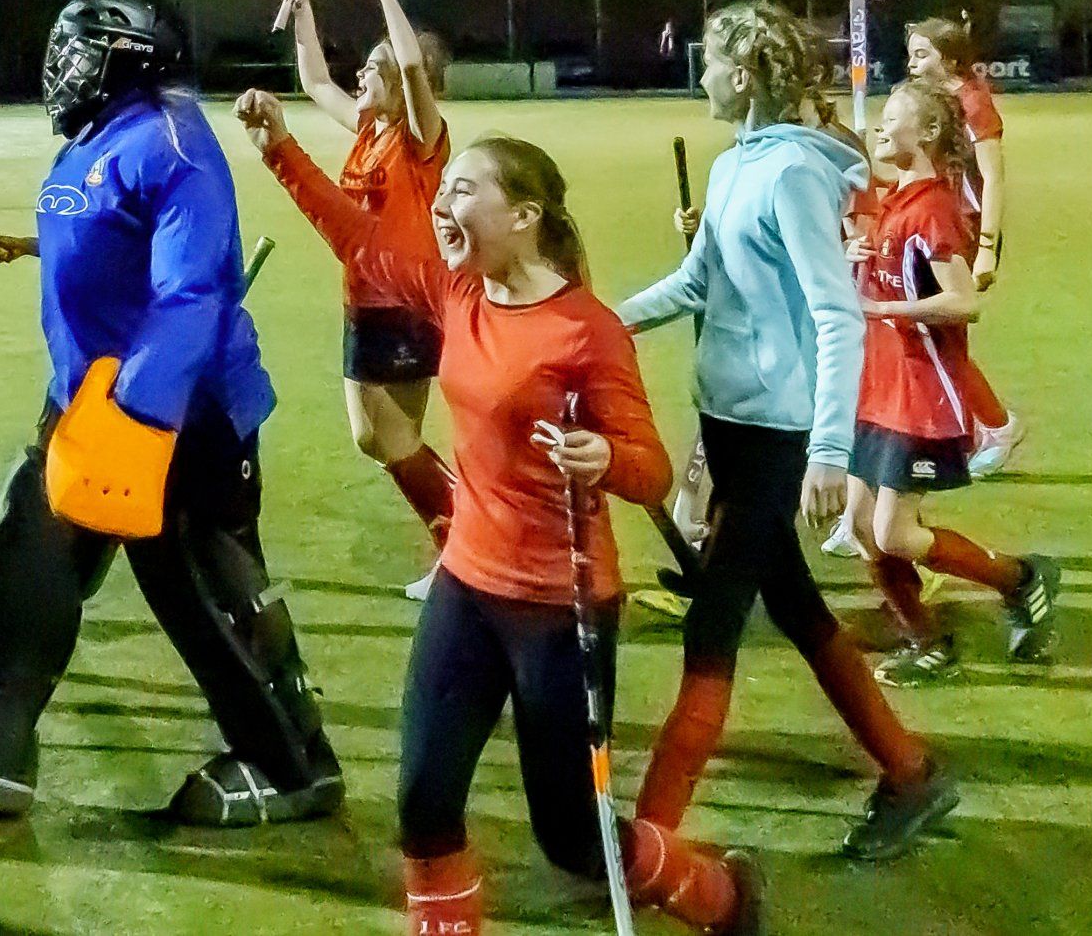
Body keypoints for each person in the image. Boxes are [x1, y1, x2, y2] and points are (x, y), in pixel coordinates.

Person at [238, 95, 761, 934]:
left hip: (560, 607)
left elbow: (653, 469)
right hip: (468, 588)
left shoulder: (586, 332)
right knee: (423, 803)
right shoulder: (456, 290)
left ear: (523, 216)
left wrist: (605, 458)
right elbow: (363, 243)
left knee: (571, 838)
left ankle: (721, 894)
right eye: (444, 190)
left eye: (463, 190)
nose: (442, 204)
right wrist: (280, 149)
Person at [0, 0, 342, 825]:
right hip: (87, 401)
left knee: (201, 582)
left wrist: (139, 413)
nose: (60, 69)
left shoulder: (173, 143)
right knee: (29, 550)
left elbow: (191, 291)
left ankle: (294, 766)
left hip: (176, 411)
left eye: (76, 52)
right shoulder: (103, 134)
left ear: (126, 58)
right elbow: (97, 233)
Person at [620, 0, 956, 862]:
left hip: (777, 433)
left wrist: (830, 451)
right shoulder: (735, 164)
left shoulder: (793, 176)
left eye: (709, 61)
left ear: (741, 76)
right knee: (798, 608)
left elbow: (837, 316)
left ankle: (649, 841)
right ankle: (910, 769)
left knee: (713, 625)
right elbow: (696, 280)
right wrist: (595, 326)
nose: (699, 75)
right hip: (729, 422)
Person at [841, 79, 1058, 685]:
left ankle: (1020, 578)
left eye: (893, 118)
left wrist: (885, 309)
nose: (879, 126)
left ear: (930, 132)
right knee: (860, 527)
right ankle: (926, 640)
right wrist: (858, 262)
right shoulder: (896, 200)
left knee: (894, 531)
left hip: (921, 397)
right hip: (878, 390)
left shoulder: (933, 209)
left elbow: (963, 302)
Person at [289, 0, 454, 599]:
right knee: (394, 440)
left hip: (405, 306)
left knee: (378, 436)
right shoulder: (368, 131)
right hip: (365, 302)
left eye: (372, 67)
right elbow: (314, 79)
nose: (361, 74)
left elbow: (411, 68)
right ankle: (465, 545)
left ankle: (470, 535)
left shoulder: (421, 140)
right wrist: (302, 6)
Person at [905, 16, 1022, 475]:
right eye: (911, 54)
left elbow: (993, 178)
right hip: (937, 223)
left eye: (922, 54)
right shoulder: (935, 100)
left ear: (950, 59)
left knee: (941, 334)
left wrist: (988, 246)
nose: (912, 63)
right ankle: (968, 433)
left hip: (965, 231)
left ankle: (995, 427)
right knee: (933, 332)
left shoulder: (972, 103)